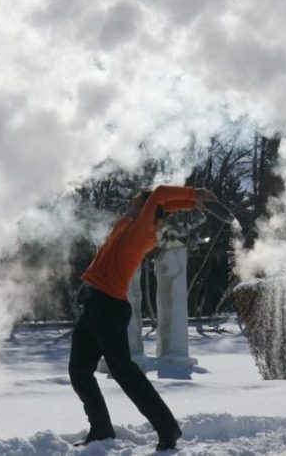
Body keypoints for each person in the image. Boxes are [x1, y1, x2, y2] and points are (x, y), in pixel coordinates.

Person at [70, 184, 217, 450]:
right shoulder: (130, 223)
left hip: (108, 306)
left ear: (145, 211)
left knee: (124, 372)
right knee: (79, 370)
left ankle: (167, 427)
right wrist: (186, 203)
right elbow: (162, 205)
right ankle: (101, 430)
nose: (132, 201)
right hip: (94, 303)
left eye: (138, 200)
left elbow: (159, 195)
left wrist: (192, 193)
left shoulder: (141, 231)